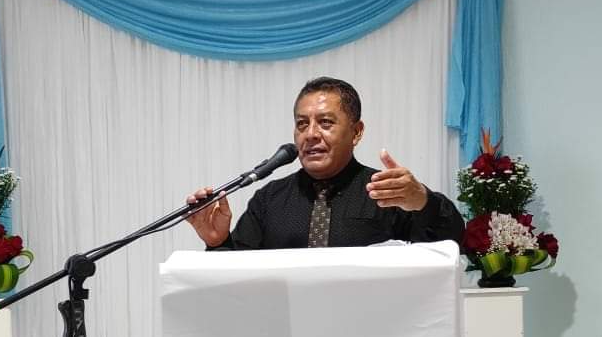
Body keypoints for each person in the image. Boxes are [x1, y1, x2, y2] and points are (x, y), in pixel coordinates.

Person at [185, 77, 465, 250]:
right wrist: (218, 243)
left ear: (356, 132)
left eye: (326, 123)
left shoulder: (387, 193)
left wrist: (423, 201)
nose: (310, 134)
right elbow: (236, 281)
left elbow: (451, 244)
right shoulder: (269, 199)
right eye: (302, 124)